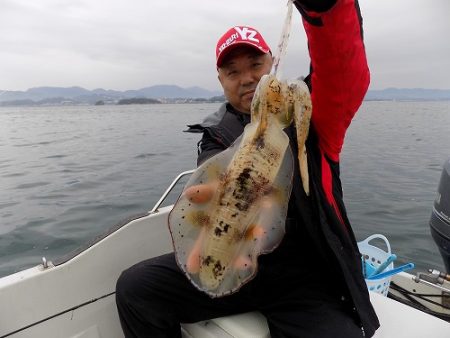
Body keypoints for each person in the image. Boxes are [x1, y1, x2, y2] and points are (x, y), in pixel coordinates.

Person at [115, 0, 380, 337]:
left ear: (272, 62)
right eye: (233, 71)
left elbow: (344, 74)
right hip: (239, 263)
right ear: (220, 79)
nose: (247, 78)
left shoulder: (313, 117)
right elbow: (212, 197)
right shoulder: (215, 136)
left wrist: (326, 9)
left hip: (307, 276)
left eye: (256, 64)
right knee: (136, 288)